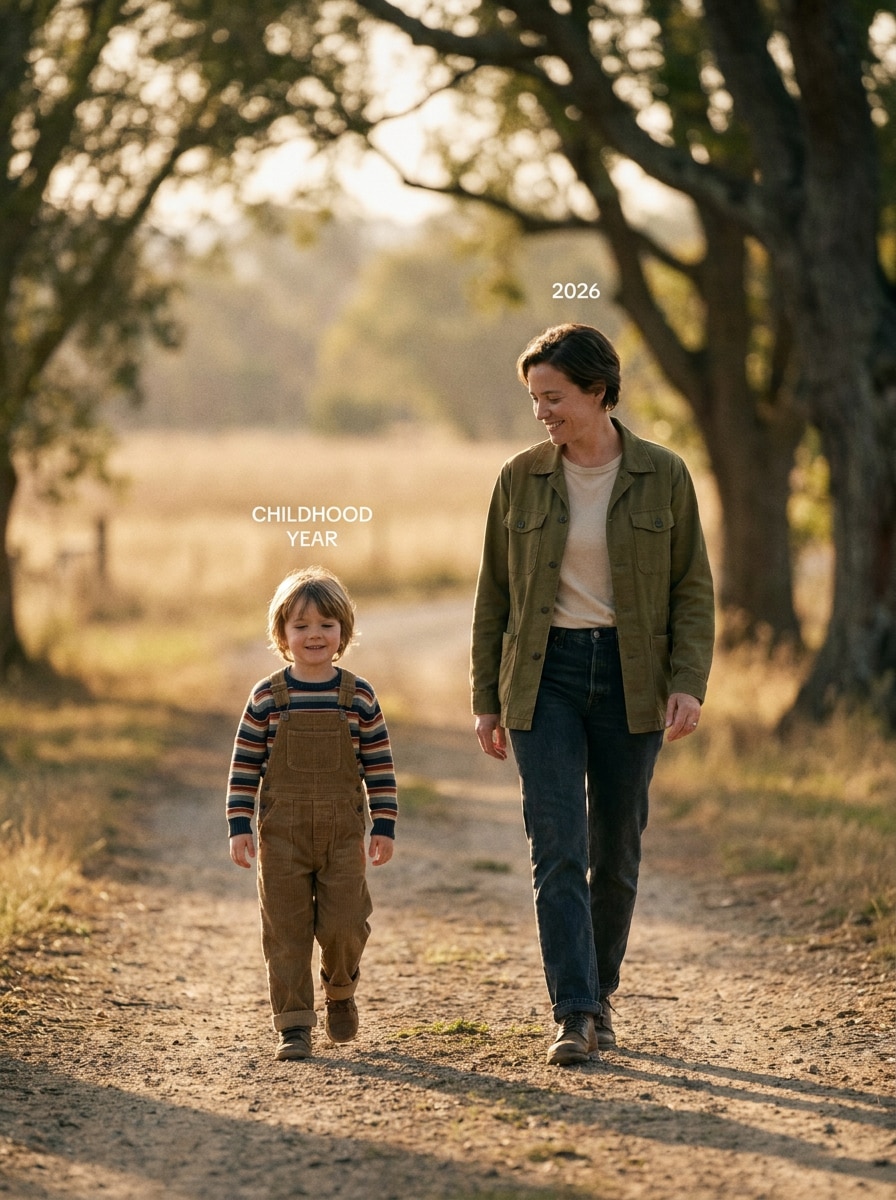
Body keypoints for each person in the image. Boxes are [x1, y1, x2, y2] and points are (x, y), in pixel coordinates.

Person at [471, 323, 714, 1067]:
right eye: (534, 400)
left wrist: (687, 683)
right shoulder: (519, 478)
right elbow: (495, 595)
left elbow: (692, 590)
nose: (542, 413)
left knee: (615, 850)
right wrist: (487, 695)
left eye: (554, 398)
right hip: (543, 678)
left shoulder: (664, 475)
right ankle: (573, 1012)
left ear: (598, 391)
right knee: (556, 848)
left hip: (631, 678)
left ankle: (600, 993)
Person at [227, 566, 397, 1061]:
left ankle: (340, 990)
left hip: (344, 834)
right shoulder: (267, 697)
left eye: (325, 624)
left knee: (346, 923)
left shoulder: (359, 696)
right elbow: (244, 766)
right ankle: (294, 1024)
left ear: (343, 630)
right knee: (286, 930)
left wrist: (383, 823)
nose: (314, 635)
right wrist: (239, 825)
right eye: (301, 626)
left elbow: (379, 766)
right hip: (282, 837)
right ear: (281, 634)